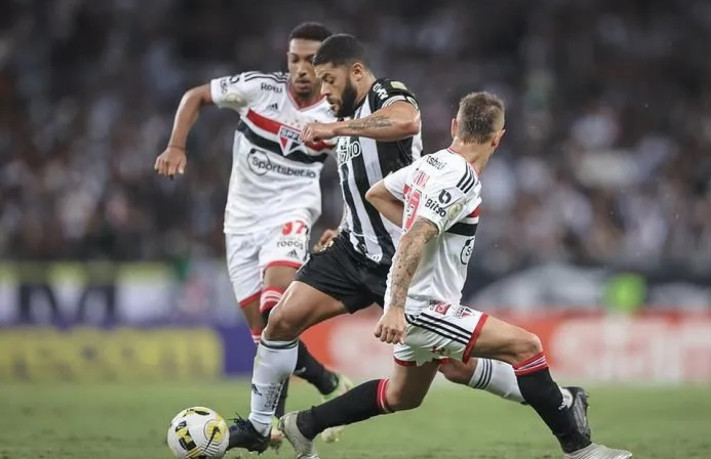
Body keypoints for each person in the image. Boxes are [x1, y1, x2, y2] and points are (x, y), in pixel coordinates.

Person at [227, 34, 592, 454]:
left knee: (453, 369)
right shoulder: (345, 117)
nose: (323, 91)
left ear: (356, 72)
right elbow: (367, 186)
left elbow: (406, 122)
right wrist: (345, 223)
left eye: (329, 79)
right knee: (280, 321)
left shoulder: (387, 95)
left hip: (398, 262)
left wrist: (335, 127)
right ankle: (258, 427)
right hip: (353, 249)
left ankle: (562, 402)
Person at [278, 92, 633, 459]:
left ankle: (303, 424)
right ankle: (581, 449)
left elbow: (377, 193)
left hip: (421, 304)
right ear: (499, 138)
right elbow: (416, 235)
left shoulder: (430, 163)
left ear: (454, 127)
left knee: (404, 395)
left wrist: (423, 229)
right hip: (425, 308)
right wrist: (396, 306)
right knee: (525, 347)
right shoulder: (461, 178)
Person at [153, 22, 352, 446]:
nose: (301, 68)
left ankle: (268, 426)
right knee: (266, 334)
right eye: (294, 58)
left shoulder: (336, 115)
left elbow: (358, 172)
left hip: (292, 215)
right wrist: (176, 145)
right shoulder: (259, 89)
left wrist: (347, 222)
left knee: (277, 306)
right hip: (240, 224)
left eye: (312, 60)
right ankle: (327, 380)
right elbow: (196, 96)